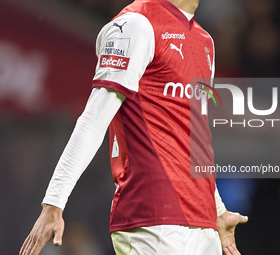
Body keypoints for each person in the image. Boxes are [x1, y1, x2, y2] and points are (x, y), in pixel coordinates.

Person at [19, 0, 248, 254]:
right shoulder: (135, 25)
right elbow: (94, 119)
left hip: (203, 224)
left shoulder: (205, 41)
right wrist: (54, 201)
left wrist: (216, 209)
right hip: (153, 220)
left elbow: (194, 138)